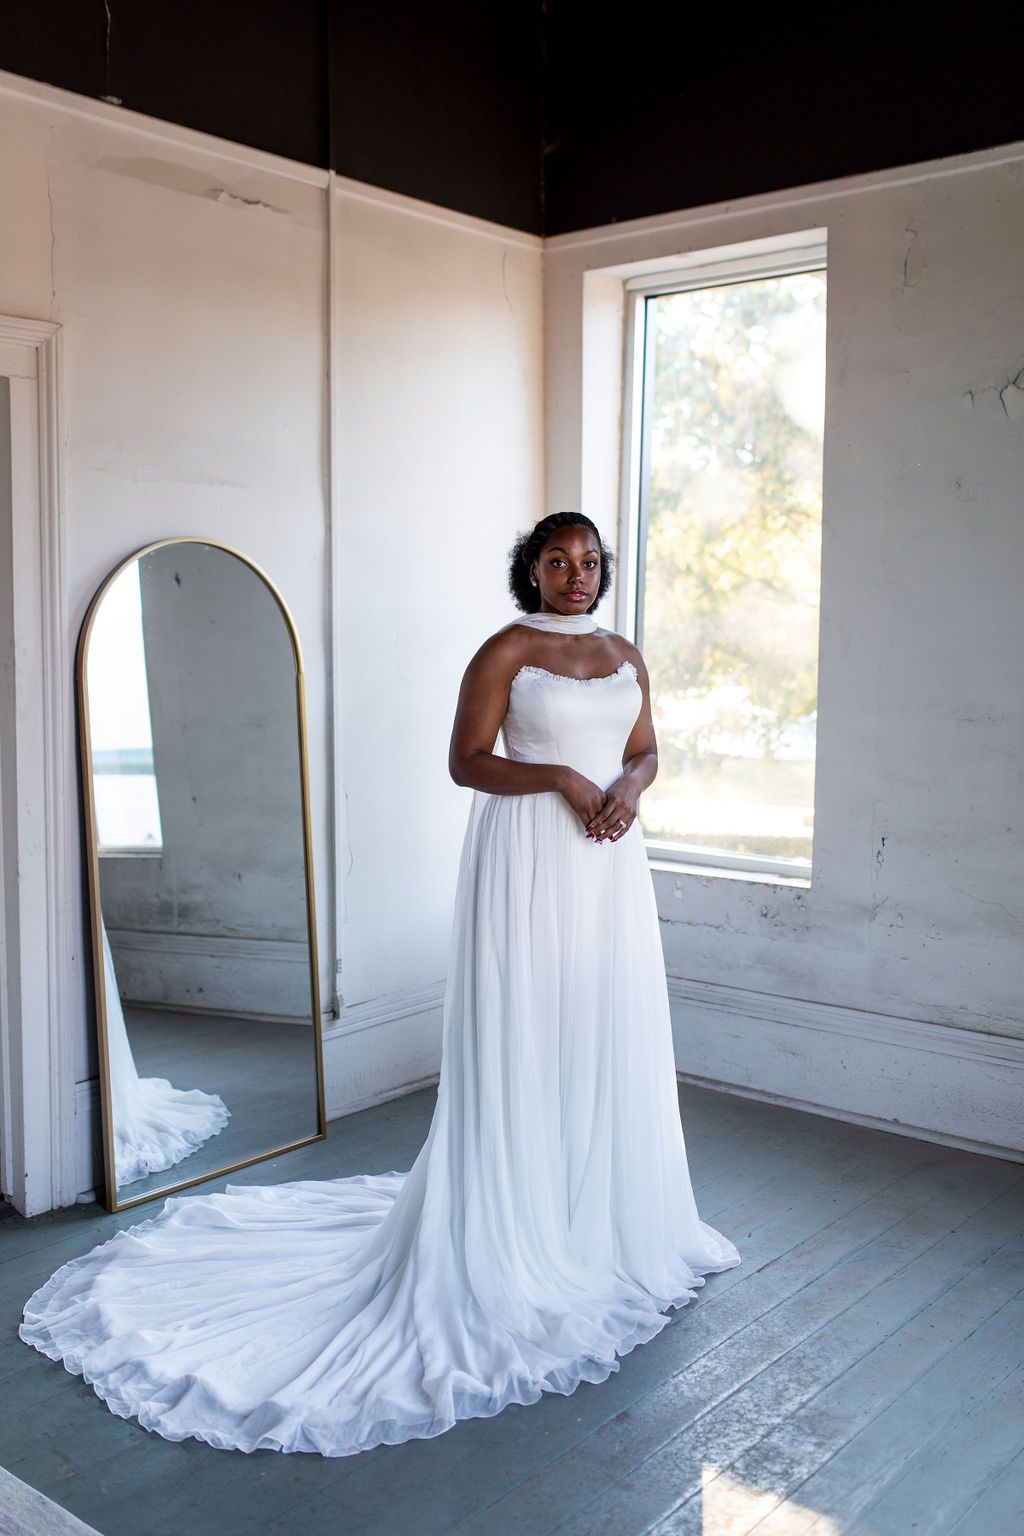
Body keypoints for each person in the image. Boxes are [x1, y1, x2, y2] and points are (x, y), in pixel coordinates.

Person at [20, 512, 740, 1458]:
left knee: (601, 1025)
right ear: (529, 570)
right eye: (558, 560)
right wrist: (564, 777)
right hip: (529, 858)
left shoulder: (622, 651)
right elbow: (466, 761)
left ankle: (598, 1216)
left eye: (590, 560)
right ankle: (519, 1221)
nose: (577, 573)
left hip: (610, 862)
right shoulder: (507, 650)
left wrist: (628, 790)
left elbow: (647, 747)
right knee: (526, 1028)